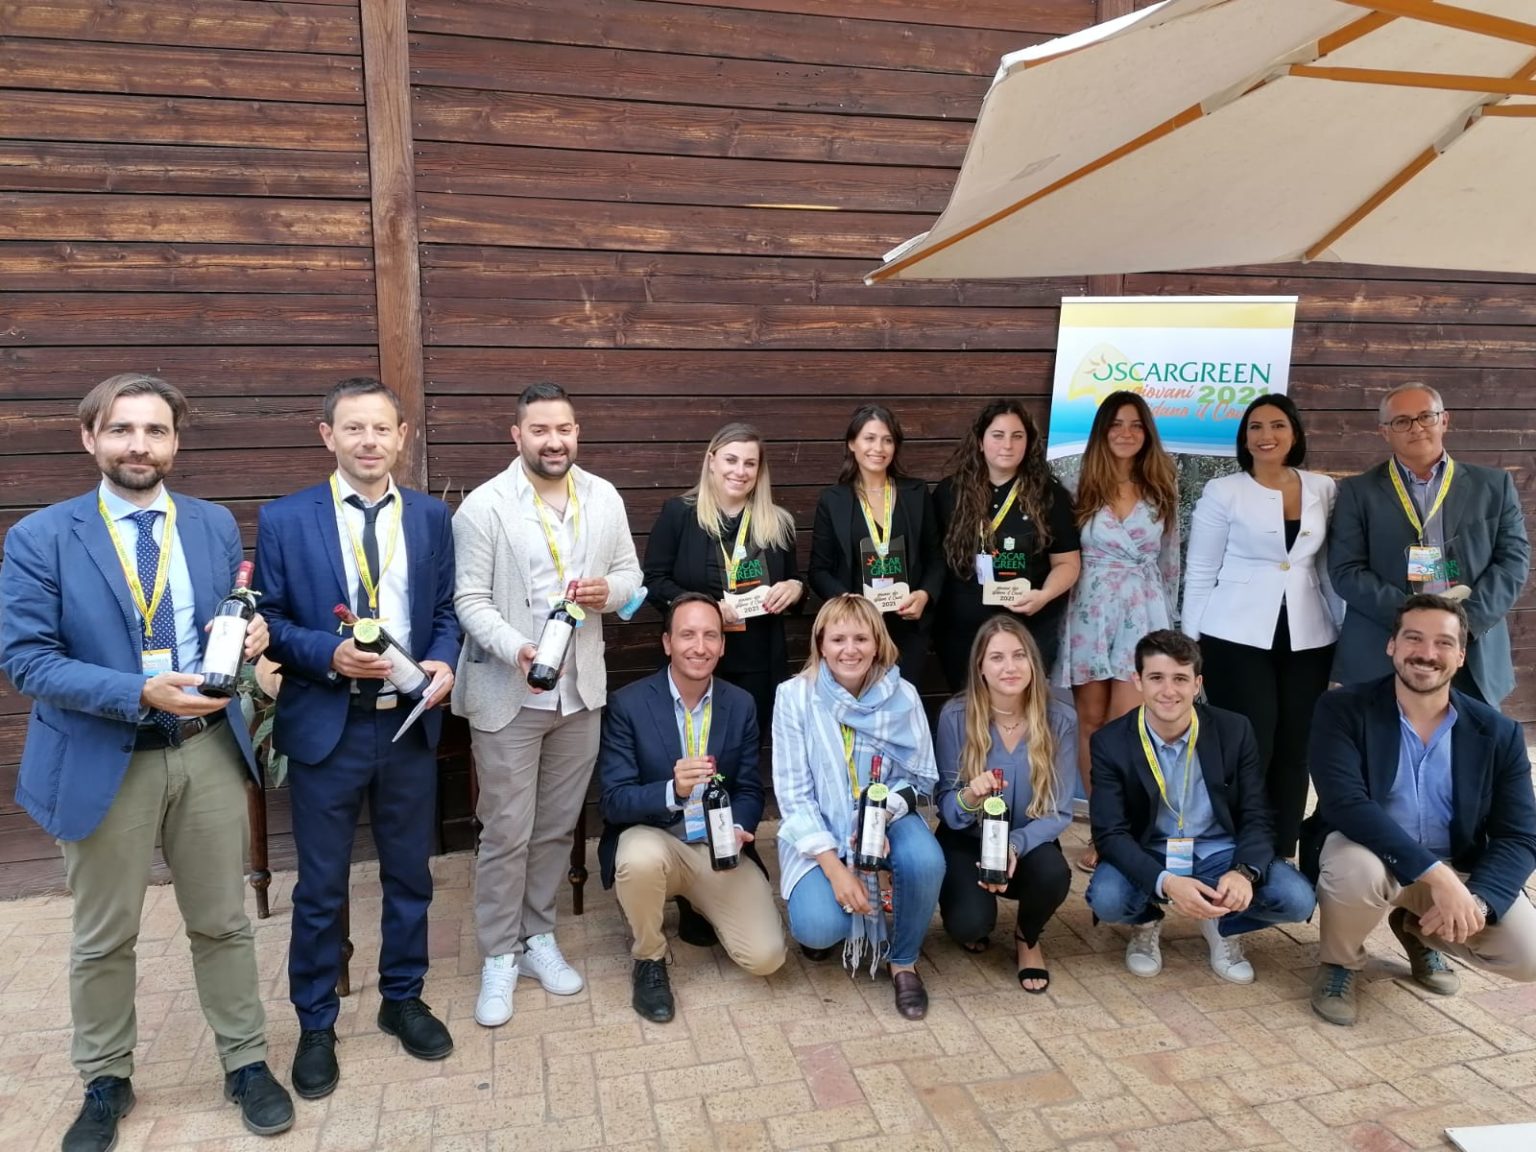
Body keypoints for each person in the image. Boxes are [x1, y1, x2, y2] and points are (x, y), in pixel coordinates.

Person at [0, 373, 293, 1149]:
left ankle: (245, 1061)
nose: (139, 445)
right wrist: (138, 692)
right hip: (106, 754)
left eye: (155, 430)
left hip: (206, 751)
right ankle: (105, 1079)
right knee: (105, 936)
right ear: (89, 438)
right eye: (122, 429)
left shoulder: (212, 524)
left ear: (175, 442)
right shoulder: (40, 537)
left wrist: (253, 637)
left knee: (223, 923)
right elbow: (26, 660)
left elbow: (227, 622)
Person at [254, 378, 462, 1097]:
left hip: (406, 725)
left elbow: (445, 611)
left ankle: (402, 998)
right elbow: (269, 621)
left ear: (402, 436)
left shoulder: (431, 516)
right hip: (327, 727)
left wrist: (444, 660)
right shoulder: (285, 519)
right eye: (354, 428)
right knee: (320, 888)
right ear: (328, 436)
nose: (368, 441)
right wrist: (328, 654)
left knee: (410, 875)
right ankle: (316, 1023)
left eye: (381, 428)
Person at [452, 382, 643, 1029]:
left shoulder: (604, 496)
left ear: (576, 432)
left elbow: (631, 577)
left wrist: (607, 590)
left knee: (558, 828)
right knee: (507, 831)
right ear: (518, 436)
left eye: (563, 428)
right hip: (511, 692)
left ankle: (537, 937)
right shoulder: (484, 507)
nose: (553, 441)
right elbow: (469, 600)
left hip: (579, 692)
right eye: (540, 430)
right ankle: (498, 954)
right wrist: (519, 649)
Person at [1305, 594, 1536, 1027]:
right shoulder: (1342, 709)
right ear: (1392, 645)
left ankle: (1418, 929)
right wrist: (1438, 878)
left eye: (1443, 643)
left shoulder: (1498, 732)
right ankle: (1340, 962)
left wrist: (1478, 902)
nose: (1427, 653)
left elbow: (1520, 836)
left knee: (1528, 954)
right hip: (1371, 854)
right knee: (1354, 869)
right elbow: (1345, 804)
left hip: (1456, 863)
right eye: (1414, 638)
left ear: (1461, 655)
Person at [1086, 630, 1316, 985]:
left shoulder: (1234, 730)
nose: (1168, 690)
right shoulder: (1110, 742)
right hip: (1151, 850)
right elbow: (1109, 833)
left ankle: (1223, 923)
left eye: (1180, 679)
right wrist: (1166, 883)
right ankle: (1146, 922)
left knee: (1297, 899)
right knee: (1107, 898)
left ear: (1197, 684)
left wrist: (1244, 872)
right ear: (1138, 681)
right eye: (1156, 678)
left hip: (1219, 851)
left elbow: (1256, 814)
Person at [596, 593, 785, 1022]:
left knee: (767, 957)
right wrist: (672, 790)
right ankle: (649, 957)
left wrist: (740, 826)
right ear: (667, 643)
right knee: (639, 859)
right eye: (687, 635)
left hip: (716, 848)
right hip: (656, 838)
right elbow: (613, 801)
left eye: (710, 636)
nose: (699, 647)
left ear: (722, 645)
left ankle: (697, 903)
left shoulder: (740, 703)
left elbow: (749, 788)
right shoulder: (629, 704)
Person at [1183, 393, 1341, 859]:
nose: (1265, 435)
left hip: (1309, 636)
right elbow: (1200, 569)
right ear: (1244, 437)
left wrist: (1342, 631)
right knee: (1253, 744)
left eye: (1277, 426)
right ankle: (1239, 846)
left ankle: (1281, 849)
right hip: (1234, 636)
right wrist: (1190, 647)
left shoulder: (1323, 488)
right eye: (1255, 427)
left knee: (1296, 746)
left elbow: (1327, 568)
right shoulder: (1223, 492)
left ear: (1295, 433)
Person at [771, 594, 944, 1019]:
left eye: (861, 638)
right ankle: (840, 914)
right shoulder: (794, 696)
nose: (850, 650)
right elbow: (794, 795)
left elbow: (921, 779)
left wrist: (881, 817)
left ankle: (903, 960)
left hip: (887, 815)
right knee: (818, 927)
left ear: (878, 643)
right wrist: (836, 871)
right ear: (821, 644)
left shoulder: (903, 695)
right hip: (823, 824)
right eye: (838, 639)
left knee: (925, 861)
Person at [1328, 382, 1529, 706]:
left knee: (1469, 737)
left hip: (1471, 650)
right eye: (1402, 421)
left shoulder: (1493, 485)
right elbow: (1346, 571)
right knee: (1383, 737)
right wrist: (1411, 621)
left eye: (1426, 416)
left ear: (1444, 420)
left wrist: (1463, 623)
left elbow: (1513, 561)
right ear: (1384, 431)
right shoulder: (1357, 492)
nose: (1416, 427)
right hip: (1384, 648)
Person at [1058, 391, 1177, 870]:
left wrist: (1173, 632)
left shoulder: (1161, 487)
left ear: (1147, 432)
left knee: (1128, 727)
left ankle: (1128, 829)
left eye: (1135, 424)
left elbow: (1170, 564)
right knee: (1090, 724)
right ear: (1102, 432)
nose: (1126, 433)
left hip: (1142, 615)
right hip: (1089, 614)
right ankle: (1102, 830)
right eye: (1116, 424)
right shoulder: (1077, 486)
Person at [934, 616, 1076, 992]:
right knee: (969, 925)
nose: (1009, 667)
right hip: (968, 838)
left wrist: (1013, 845)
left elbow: (1059, 811)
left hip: (1027, 838)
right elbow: (946, 804)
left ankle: (1027, 937)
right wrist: (970, 796)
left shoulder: (1060, 718)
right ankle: (974, 912)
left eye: (1019, 655)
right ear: (980, 667)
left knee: (1053, 874)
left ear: (1033, 662)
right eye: (996, 657)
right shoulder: (955, 715)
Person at [642, 422, 805, 729]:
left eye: (750, 463)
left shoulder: (779, 522)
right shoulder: (679, 514)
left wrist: (795, 588)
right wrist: (706, 608)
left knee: (747, 747)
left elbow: (794, 580)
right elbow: (654, 581)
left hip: (758, 663)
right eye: (731, 460)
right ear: (712, 461)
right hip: (697, 658)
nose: (740, 471)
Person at [933, 399, 1080, 692]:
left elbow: (1068, 563)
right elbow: (933, 561)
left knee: (1022, 708)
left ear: (1029, 442)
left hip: (1029, 628)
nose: (1007, 445)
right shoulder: (950, 492)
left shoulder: (1049, 495)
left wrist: (1044, 595)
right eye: (998, 435)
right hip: (963, 632)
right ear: (980, 441)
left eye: (1017, 436)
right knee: (969, 709)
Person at [809, 405, 942, 686]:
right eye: (869, 438)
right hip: (856, 631)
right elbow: (818, 571)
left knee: (902, 702)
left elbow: (936, 558)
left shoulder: (916, 493)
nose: (878, 448)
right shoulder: (833, 500)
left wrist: (925, 595)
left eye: (887, 440)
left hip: (908, 627)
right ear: (852, 443)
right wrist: (850, 602)